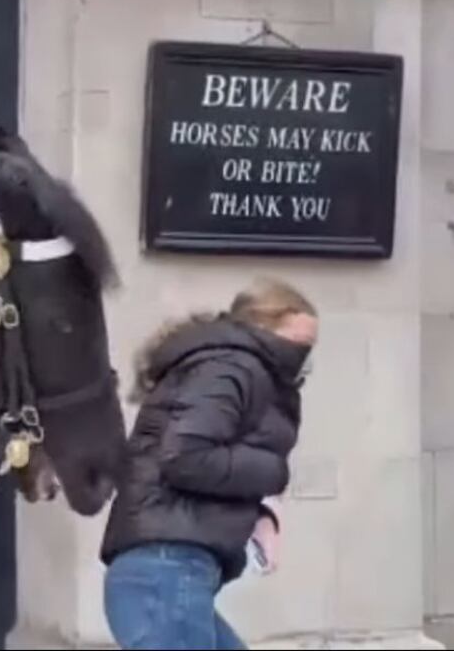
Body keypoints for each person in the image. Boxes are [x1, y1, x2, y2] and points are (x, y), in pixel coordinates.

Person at [99, 277, 316, 650]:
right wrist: (272, 472)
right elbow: (185, 457)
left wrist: (261, 512)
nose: (303, 361)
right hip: (165, 571)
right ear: (262, 329)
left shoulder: (231, 365)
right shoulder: (230, 366)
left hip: (165, 574)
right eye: (299, 346)